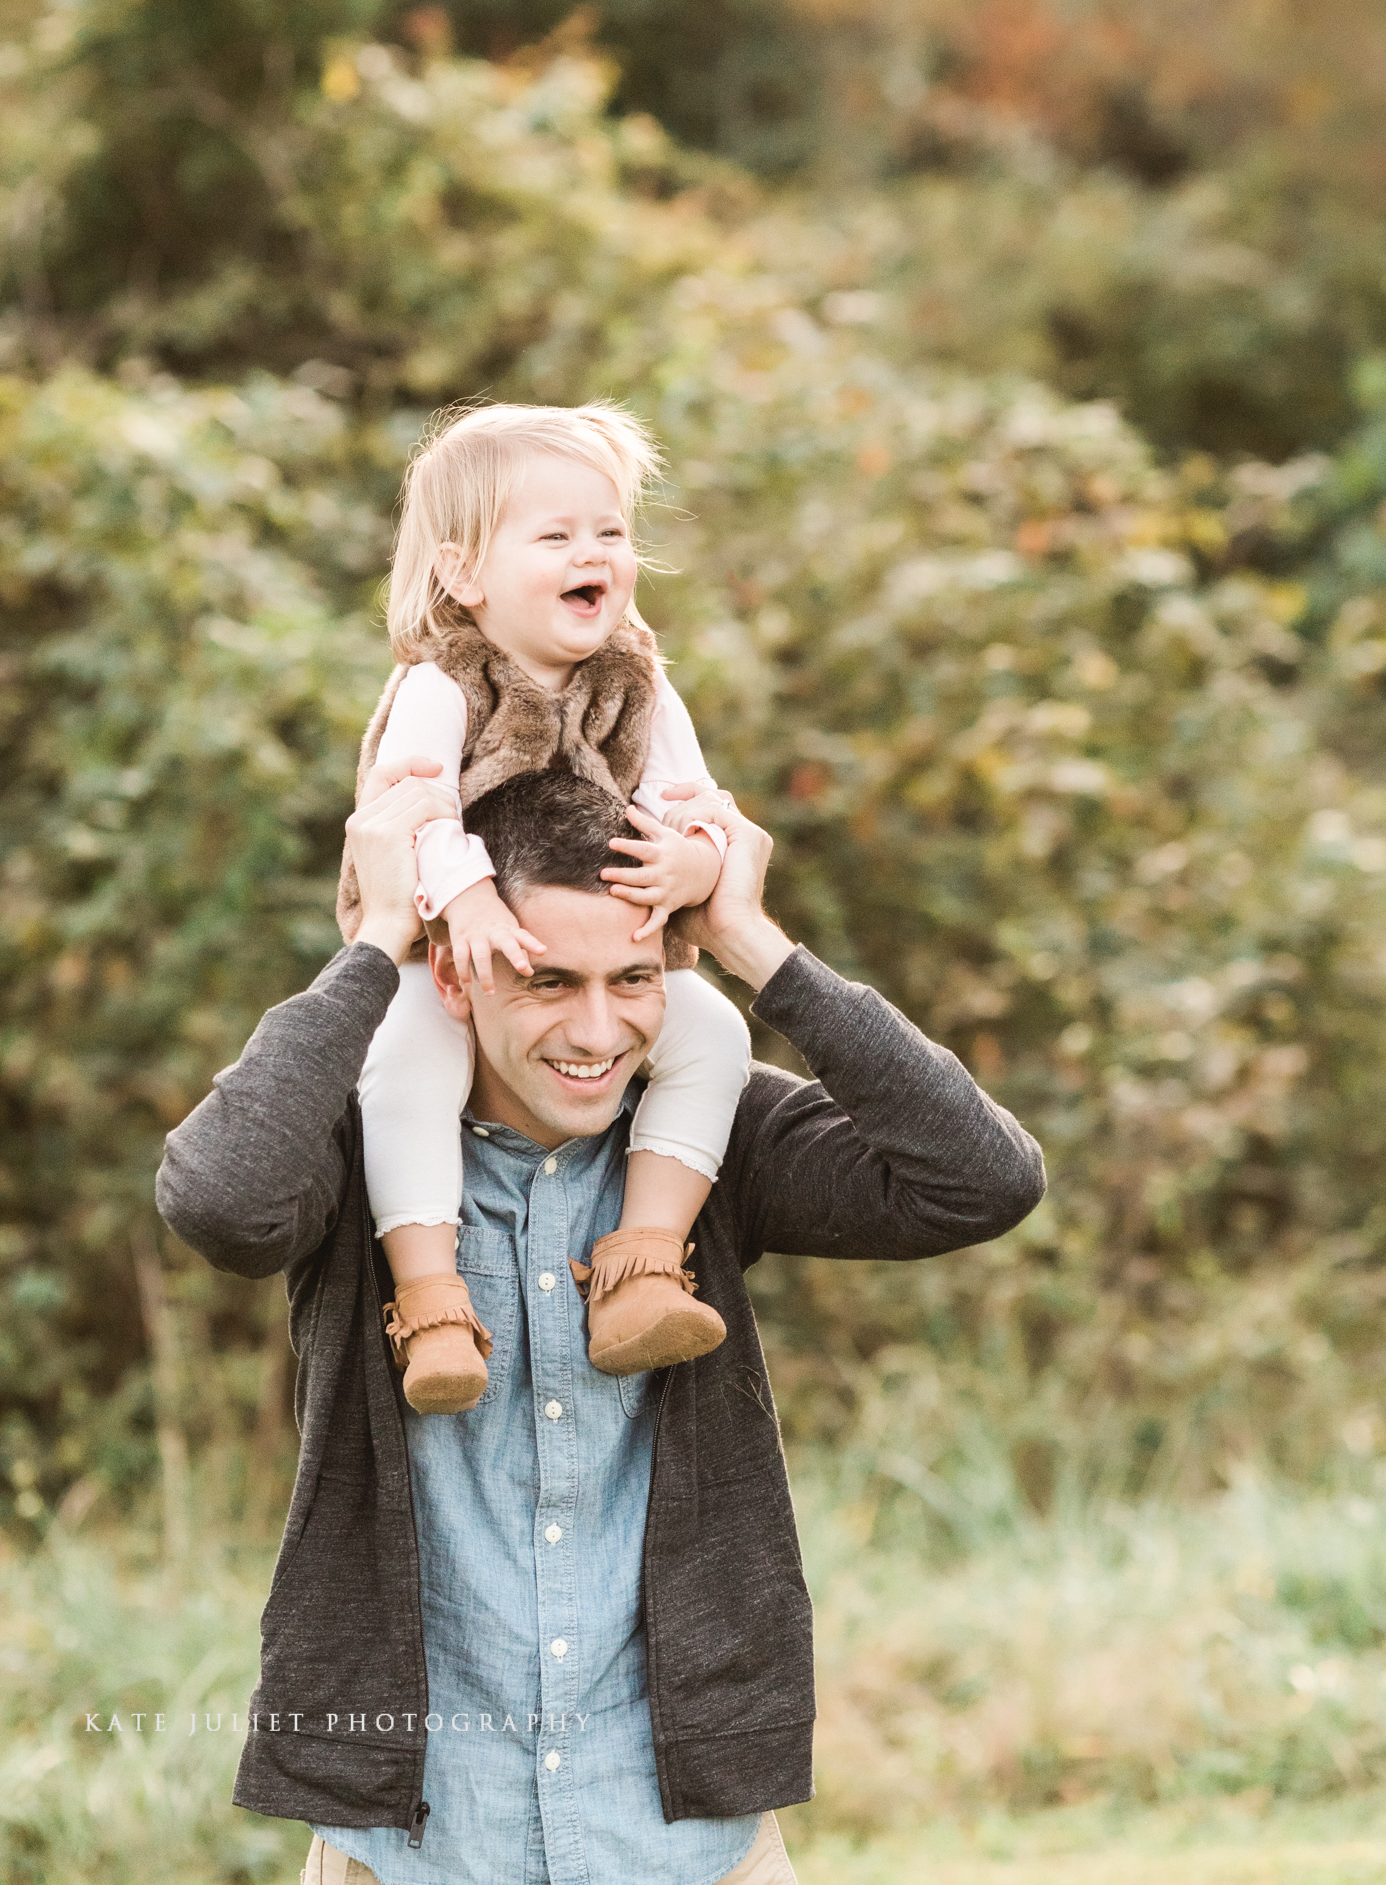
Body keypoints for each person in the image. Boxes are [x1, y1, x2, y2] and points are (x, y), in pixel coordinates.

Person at [155, 754, 1046, 1885]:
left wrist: (753, 945)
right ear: (458, 973)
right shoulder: (350, 1154)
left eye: (633, 978)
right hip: (420, 1839)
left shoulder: (716, 1139)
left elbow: (982, 1181)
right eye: (545, 979)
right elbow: (218, 1201)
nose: (597, 1031)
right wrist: (377, 939)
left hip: (685, 1840)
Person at [339, 399, 755, 1415]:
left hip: (586, 957)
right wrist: (466, 891)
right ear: (463, 572)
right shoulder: (443, 682)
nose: (596, 554)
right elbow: (409, 804)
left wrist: (694, 871)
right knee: (406, 1062)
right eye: (558, 535)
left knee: (713, 1033)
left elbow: (694, 806)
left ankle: (644, 1262)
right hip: (441, 948)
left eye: (610, 531)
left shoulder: (641, 682)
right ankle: (432, 1301)